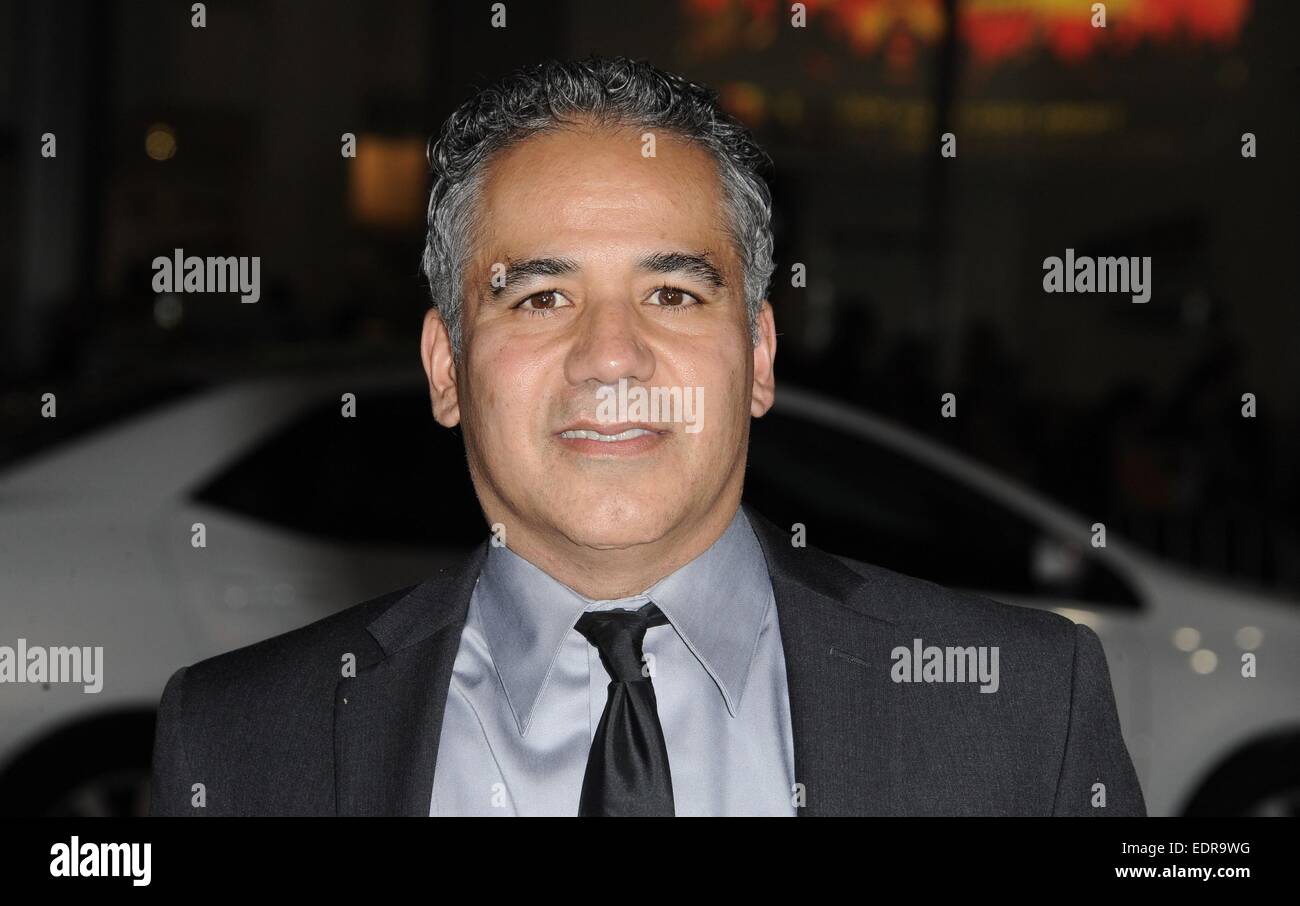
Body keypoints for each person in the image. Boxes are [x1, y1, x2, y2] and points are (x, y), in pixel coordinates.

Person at [149, 56, 1144, 817]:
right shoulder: (236, 745)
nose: (611, 356)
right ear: (446, 369)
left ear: (757, 355)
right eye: (541, 297)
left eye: (672, 292)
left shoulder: (1020, 712)